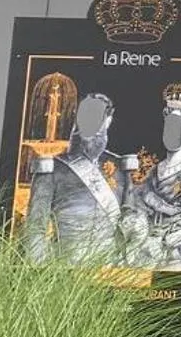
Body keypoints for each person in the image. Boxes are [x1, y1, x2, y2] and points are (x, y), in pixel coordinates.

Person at [125, 79, 181, 272]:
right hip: (147, 245)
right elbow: (140, 204)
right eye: (169, 124)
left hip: (179, 250)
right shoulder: (158, 169)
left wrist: (167, 241)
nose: (172, 131)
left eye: (180, 125)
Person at [24, 92, 125, 265]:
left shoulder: (120, 169)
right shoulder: (51, 169)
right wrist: (39, 269)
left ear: (108, 121)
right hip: (66, 267)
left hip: (111, 269)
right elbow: (35, 228)